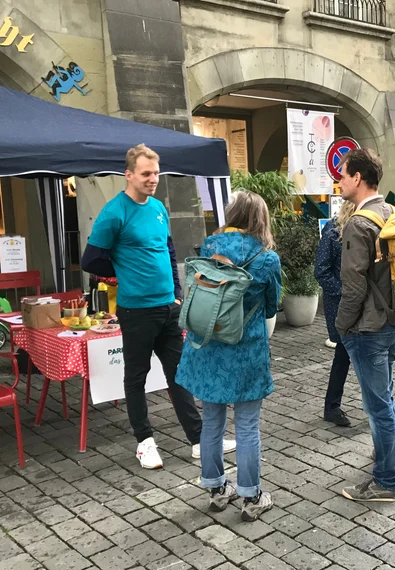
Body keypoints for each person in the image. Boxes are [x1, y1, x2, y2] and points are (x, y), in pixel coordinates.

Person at [81, 144, 233, 470]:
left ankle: (198, 440)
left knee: (179, 375)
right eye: (146, 173)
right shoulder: (114, 212)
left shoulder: (158, 208)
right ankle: (144, 442)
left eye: (156, 172)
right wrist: (118, 273)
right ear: (129, 174)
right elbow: (90, 258)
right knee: (136, 377)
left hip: (168, 307)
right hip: (136, 310)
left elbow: (168, 251)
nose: (153, 179)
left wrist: (177, 293)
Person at [176, 190, 282, 521]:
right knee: (248, 424)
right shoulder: (266, 258)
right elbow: (270, 305)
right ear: (260, 219)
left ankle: (217, 489)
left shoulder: (209, 248)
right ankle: (251, 498)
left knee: (211, 420)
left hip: (208, 343)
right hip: (245, 350)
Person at [335, 149, 395, 502]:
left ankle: (386, 482)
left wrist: (341, 326)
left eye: (343, 174)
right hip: (393, 319)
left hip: (367, 328)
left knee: (378, 405)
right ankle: (383, 454)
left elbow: (354, 286)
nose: (340, 181)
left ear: (358, 178)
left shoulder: (359, 223)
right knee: (383, 398)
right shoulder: (390, 212)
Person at [314, 206, 355, 428]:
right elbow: (320, 269)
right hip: (340, 303)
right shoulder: (333, 230)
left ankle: (374, 403)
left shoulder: (370, 226)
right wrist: (343, 291)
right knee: (344, 352)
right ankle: (331, 407)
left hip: (364, 303)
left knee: (362, 353)